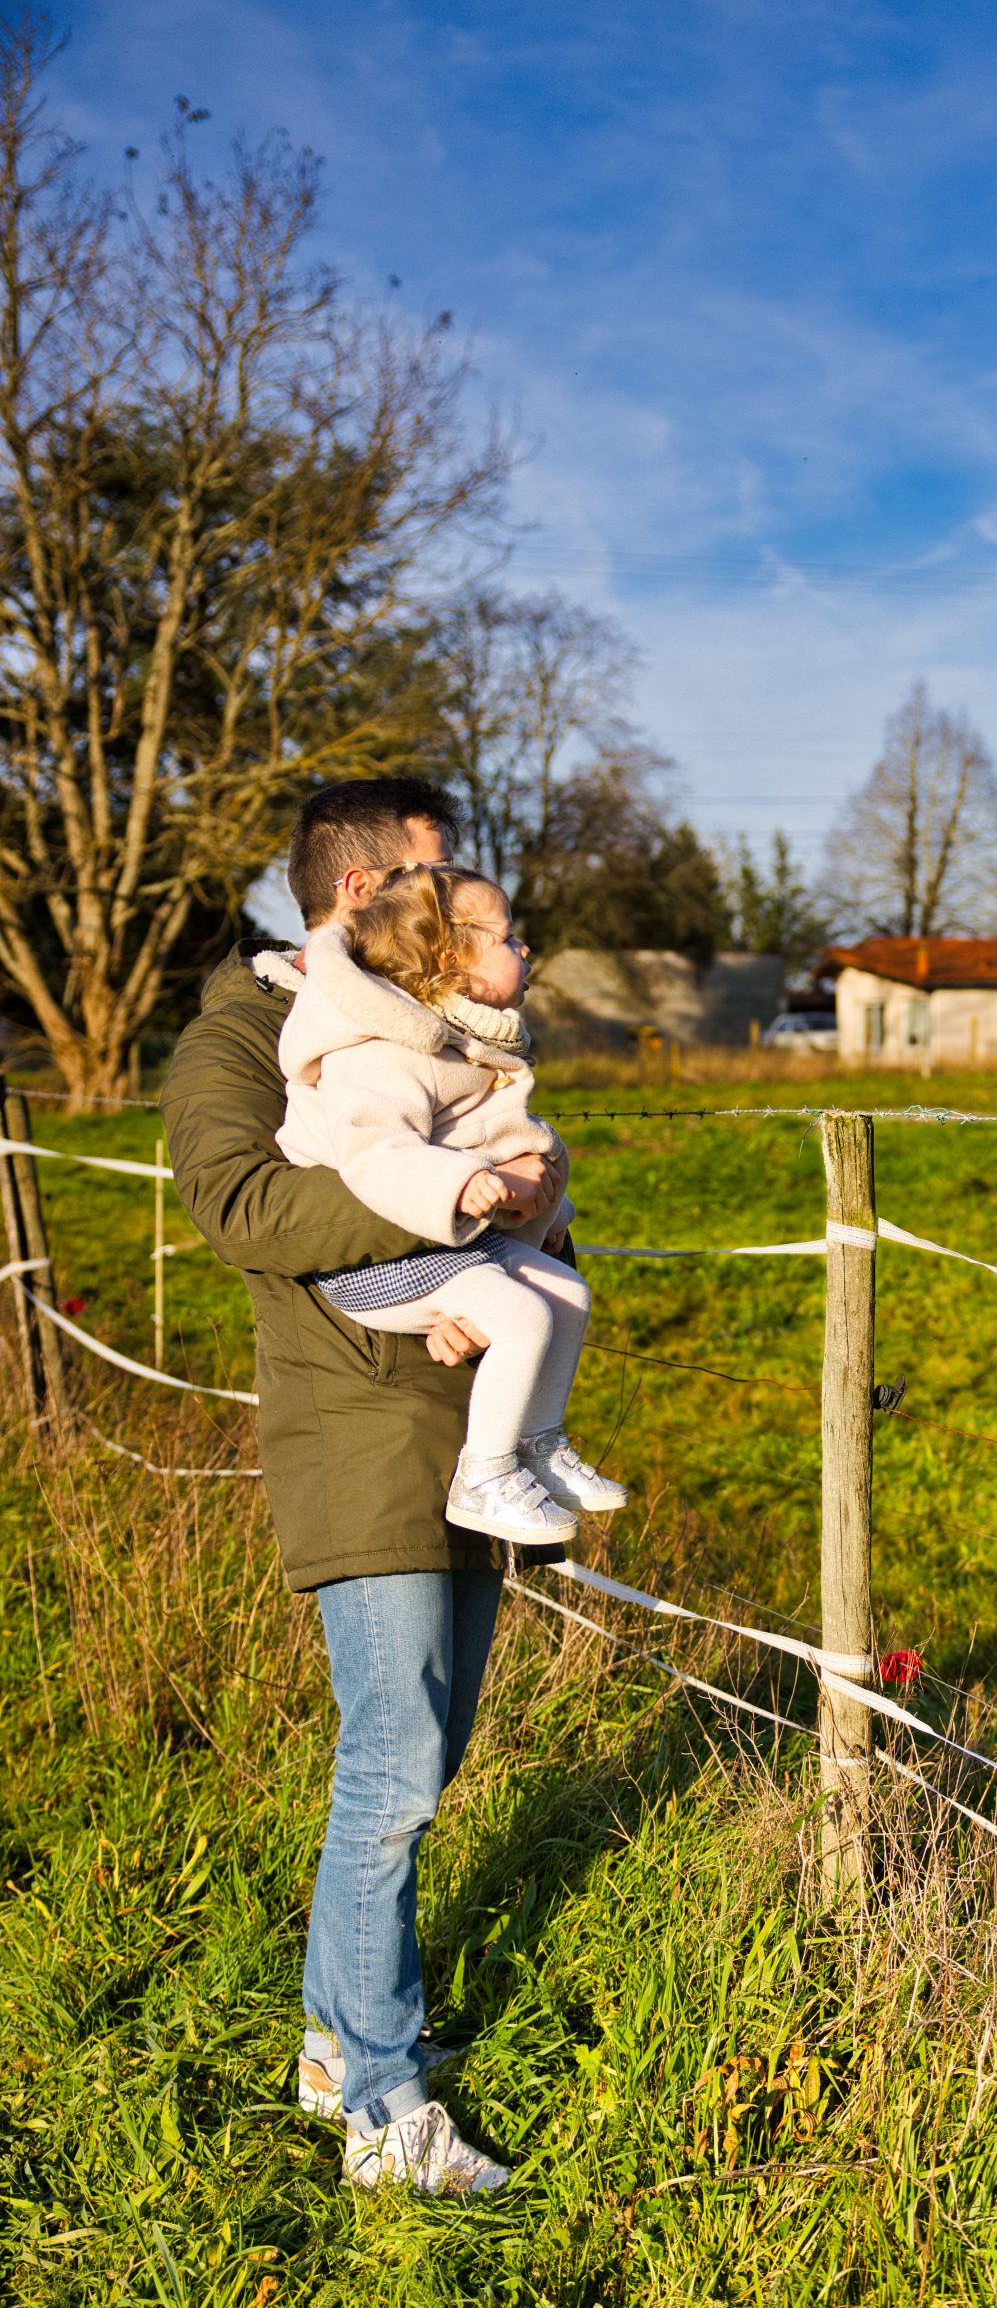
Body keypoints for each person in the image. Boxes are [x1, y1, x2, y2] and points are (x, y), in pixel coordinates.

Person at [162, 776, 562, 2197]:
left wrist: (503, 1226)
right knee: (392, 1768)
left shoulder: (429, 1018)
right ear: (360, 893)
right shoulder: (244, 1032)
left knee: (427, 1758)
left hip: (459, 1420)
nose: (456, 903)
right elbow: (244, 1207)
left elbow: (498, 1161)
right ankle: (387, 2111)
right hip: (354, 1422)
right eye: (436, 879)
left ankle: (337, 2046)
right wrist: (439, 1210)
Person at [273, 862, 626, 1544]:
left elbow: (494, 1135)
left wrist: (546, 1210)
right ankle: (485, 1478)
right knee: (522, 1315)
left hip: (440, 1240)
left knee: (567, 1293)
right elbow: (376, 1154)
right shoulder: (378, 1046)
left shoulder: (458, 1036)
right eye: (508, 937)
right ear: (449, 959)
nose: (525, 948)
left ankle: (537, 1444)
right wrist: (459, 1185)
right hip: (377, 1257)